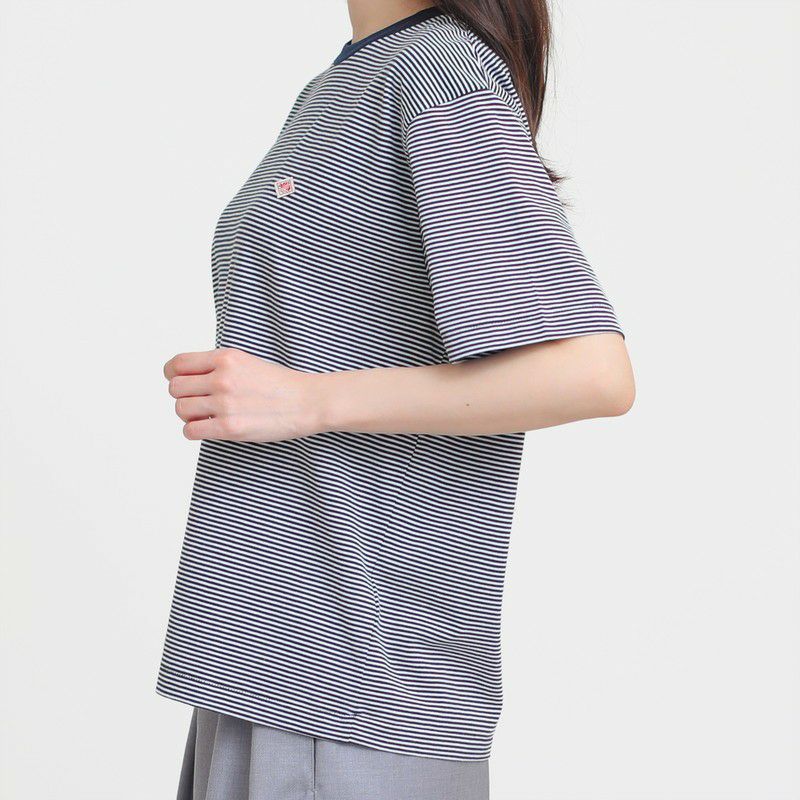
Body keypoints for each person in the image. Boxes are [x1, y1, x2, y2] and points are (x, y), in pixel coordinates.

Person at [157, 1, 635, 797]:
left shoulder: (437, 71)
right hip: (270, 663)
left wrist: (311, 400)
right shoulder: (351, 79)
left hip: (350, 693)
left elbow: (590, 371)